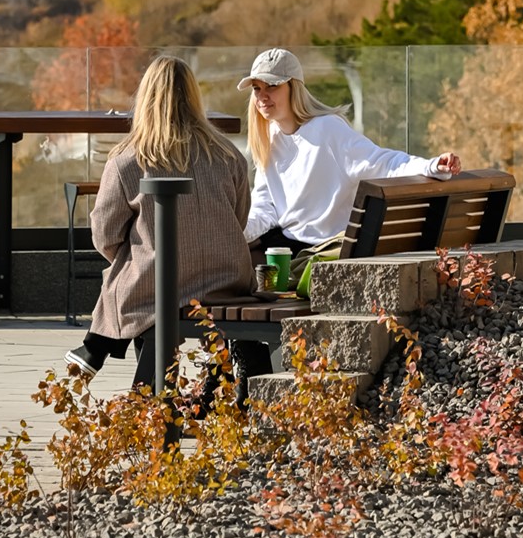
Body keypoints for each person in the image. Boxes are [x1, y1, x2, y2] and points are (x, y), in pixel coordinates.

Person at [65, 55, 258, 394]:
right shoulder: (228, 154)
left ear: (145, 99)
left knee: (127, 272)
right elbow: (239, 217)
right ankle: (97, 351)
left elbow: (105, 235)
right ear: (194, 97)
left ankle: (102, 352)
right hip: (228, 277)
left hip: (160, 286)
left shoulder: (127, 161)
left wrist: (136, 257)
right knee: (138, 269)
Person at [238, 48, 461, 258]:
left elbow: (384, 163)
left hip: (319, 252)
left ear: (293, 88)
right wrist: (237, 230)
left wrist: (431, 166)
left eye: (272, 86)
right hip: (285, 247)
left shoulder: (328, 130)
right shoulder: (269, 137)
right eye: (257, 88)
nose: (262, 96)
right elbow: (265, 205)